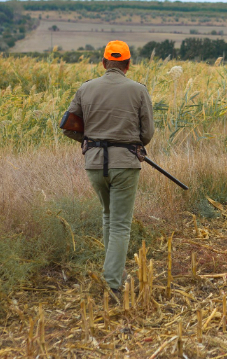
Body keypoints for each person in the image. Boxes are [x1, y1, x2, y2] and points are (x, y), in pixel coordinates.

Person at [63, 40, 154, 292]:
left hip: (93, 164)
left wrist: (91, 142)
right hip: (125, 163)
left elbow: (68, 128)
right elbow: (147, 134)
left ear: (104, 63)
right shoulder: (138, 90)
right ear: (127, 65)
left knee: (108, 216)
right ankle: (113, 283)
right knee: (121, 224)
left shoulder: (85, 89)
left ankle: (116, 270)